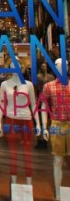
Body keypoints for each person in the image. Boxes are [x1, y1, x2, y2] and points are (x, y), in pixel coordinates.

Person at [41, 58, 70, 200]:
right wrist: (44, 127)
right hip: (57, 124)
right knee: (58, 160)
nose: (63, 68)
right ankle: (58, 194)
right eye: (59, 66)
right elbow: (43, 106)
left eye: (65, 66)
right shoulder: (49, 86)